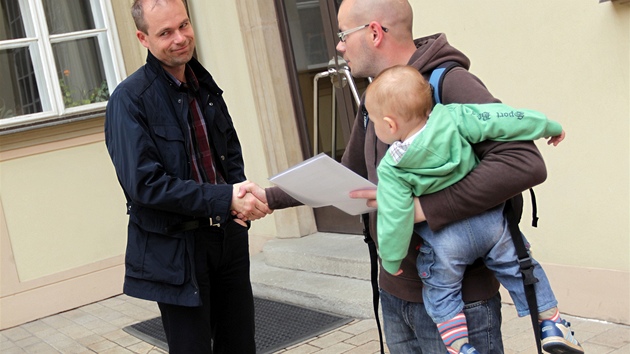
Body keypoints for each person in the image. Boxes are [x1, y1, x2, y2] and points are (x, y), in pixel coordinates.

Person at [240, 0, 548, 352]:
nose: (338, 46)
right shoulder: (380, 95)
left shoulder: (448, 83)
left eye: (343, 35)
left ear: (373, 32)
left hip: (458, 305)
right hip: (395, 294)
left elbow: (524, 162)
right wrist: (270, 198)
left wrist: (421, 208)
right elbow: (349, 172)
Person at [366, 65, 582, 354]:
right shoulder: (455, 117)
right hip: (490, 225)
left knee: (441, 291)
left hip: (445, 242)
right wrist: (549, 126)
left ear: (390, 125)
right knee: (521, 270)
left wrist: (392, 261)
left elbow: (395, 219)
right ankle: (551, 323)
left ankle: (460, 345)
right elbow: (506, 120)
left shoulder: (392, 167)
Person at [104, 0, 272, 353]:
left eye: (184, 25)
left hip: (228, 239)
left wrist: (237, 204)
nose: (180, 38)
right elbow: (145, 186)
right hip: (177, 250)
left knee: (241, 346)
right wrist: (226, 198)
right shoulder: (129, 100)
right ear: (143, 38)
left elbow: (230, 154)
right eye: (166, 32)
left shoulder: (204, 85)